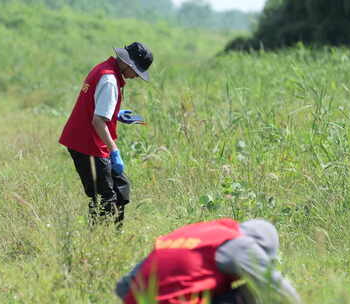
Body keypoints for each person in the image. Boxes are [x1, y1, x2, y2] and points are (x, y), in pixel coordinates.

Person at [59, 42, 153, 227]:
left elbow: (94, 105)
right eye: (137, 72)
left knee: (121, 188)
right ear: (128, 64)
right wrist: (115, 151)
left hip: (88, 139)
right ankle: (97, 240)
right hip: (86, 144)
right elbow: (98, 121)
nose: (135, 77)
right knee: (105, 198)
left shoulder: (104, 68)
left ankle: (116, 235)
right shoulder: (110, 80)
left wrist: (114, 113)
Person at [116, 218, 302, 304]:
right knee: (254, 292)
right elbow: (280, 290)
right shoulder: (237, 244)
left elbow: (123, 287)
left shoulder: (190, 235)